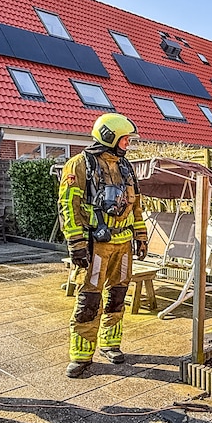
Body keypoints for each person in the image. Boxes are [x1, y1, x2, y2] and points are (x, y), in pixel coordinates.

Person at [58, 113, 148, 377]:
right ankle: (81, 354)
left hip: (123, 244)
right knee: (89, 298)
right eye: (124, 139)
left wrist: (141, 236)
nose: (127, 144)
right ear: (109, 137)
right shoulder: (79, 165)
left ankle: (111, 344)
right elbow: (68, 206)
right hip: (96, 245)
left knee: (118, 296)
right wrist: (76, 244)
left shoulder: (126, 167)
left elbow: (137, 206)